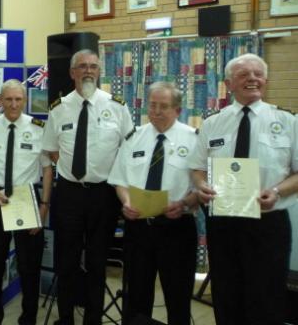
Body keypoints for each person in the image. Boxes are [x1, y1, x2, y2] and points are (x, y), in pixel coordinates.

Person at [189, 53, 298, 325]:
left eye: (257, 74)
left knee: (267, 297)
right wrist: (201, 186)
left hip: (268, 223)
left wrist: (277, 191)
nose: (252, 78)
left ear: (266, 81)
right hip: (224, 223)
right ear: (229, 83)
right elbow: (197, 167)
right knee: (227, 295)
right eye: (243, 75)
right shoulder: (213, 123)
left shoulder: (288, 122)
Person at [41, 49, 133, 325]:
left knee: (96, 262)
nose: (88, 71)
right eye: (82, 66)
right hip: (69, 193)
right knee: (66, 262)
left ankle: (92, 319)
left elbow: (128, 151)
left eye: (93, 66)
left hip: (103, 196)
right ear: (72, 73)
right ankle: (66, 318)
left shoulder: (117, 106)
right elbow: (50, 151)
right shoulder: (58, 109)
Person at [107, 82, 200, 325]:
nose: (156, 111)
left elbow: (202, 187)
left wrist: (185, 203)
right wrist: (126, 203)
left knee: (177, 296)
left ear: (178, 110)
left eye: (164, 107)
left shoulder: (193, 140)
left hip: (177, 228)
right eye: (153, 105)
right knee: (136, 296)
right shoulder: (134, 137)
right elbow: (119, 181)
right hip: (139, 227)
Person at [0, 79, 53, 325]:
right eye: (9, 99)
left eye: (18, 99)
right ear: (0, 101)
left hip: (27, 199)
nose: (13, 104)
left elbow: (46, 170)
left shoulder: (38, 128)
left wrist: (44, 206)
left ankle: (28, 317)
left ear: (25, 100)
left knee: (29, 266)